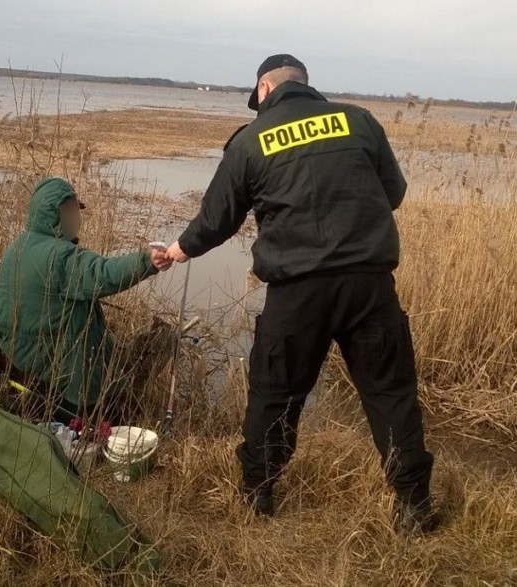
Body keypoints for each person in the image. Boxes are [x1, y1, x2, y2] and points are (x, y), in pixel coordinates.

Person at [165, 55, 436, 532]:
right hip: (369, 286)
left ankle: (258, 495)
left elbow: (216, 220)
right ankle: (413, 505)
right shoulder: (359, 121)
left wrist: (178, 250)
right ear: (306, 86)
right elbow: (392, 193)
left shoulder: (251, 141)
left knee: (275, 394)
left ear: (264, 89)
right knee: (390, 393)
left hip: (298, 294)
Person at [0, 177, 172, 425]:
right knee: (85, 345)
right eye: (76, 211)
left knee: (92, 326)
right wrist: (147, 261)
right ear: (60, 213)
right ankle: (85, 410)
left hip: (17, 356)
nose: (79, 218)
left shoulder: (16, 247)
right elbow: (104, 273)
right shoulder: (61, 256)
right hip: (51, 363)